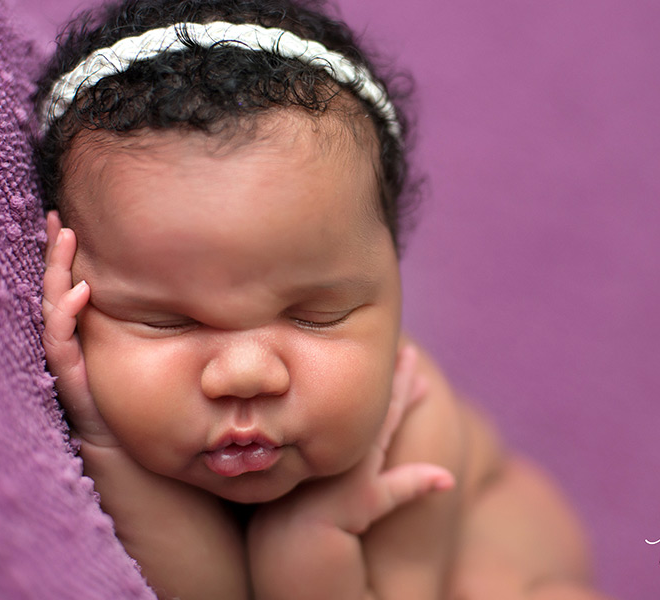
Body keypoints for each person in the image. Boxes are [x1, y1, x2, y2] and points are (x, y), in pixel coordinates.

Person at [37, 0, 606, 598]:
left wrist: (306, 542)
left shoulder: (411, 422)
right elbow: (203, 590)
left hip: (483, 539)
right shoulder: (144, 429)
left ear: (392, 276)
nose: (247, 373)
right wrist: (102, 439)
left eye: (315, 316)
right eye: (166, 321)